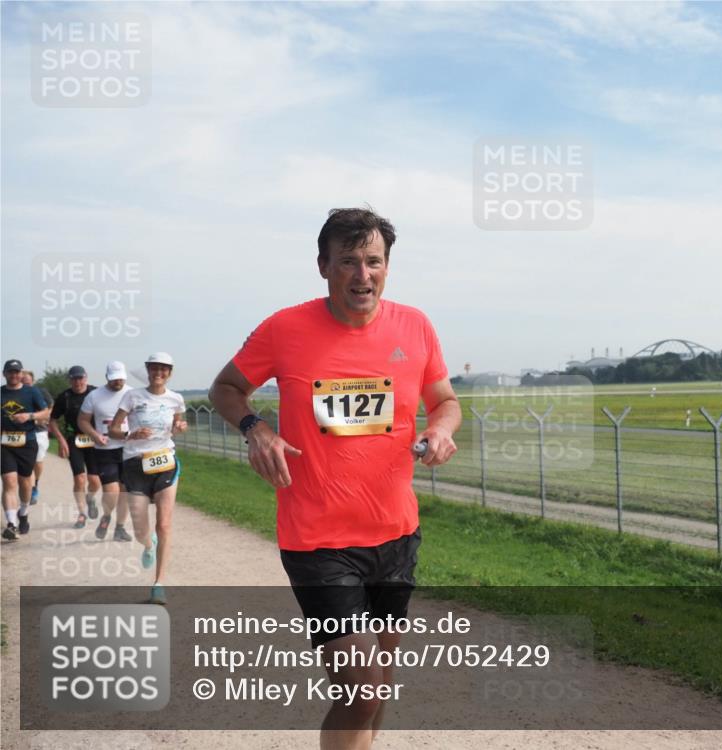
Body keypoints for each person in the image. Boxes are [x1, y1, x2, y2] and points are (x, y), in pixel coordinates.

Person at [209, 207, 461, 750]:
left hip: (395, 534)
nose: (362, 274)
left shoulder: (415, 326)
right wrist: (257, 428)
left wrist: (441, 430)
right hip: (318, 539)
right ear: (324, 266)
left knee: (380, 686)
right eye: (348, 261)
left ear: (387, 268)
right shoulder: (285, 328)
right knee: (362, 690)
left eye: (373, 261)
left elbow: (446, 402)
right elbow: (225, 389)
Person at [109, 353, 187, 605]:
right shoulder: (132, 396)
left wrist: (180, 428)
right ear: (147, 370)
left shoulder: (176, 399)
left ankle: (158, 584)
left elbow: (177, 425)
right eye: (154, 368)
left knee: (164, 524)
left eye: (163, 369)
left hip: (165, 461)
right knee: (142, 528)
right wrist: (130, 433)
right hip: (135, 463)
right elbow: (113, 429)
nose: (158, 373)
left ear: (170, 373)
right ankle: (147, 543)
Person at [78, 361, 134, 542]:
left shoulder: (132, 394)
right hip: (105, 448)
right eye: (113, 379)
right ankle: (107, 516)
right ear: (107, 378)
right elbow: (83, 420)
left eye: (120, 379)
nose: (117, 382)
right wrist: (94, 435)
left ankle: (120, 528)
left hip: (128, 449)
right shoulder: (94, 396)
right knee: (112, 490)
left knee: (125, 491)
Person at [1, 359, 51, 540]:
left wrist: (28, 416)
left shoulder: (32, 392)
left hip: (27, 443)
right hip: (5, 444)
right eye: (10, 372)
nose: (14, 375)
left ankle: (23, 512)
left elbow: (45, 413)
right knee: (9, 481)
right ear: (4, 374)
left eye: (16, 372)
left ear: (21, 374)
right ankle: (11, 524)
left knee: (25, 483)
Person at [49, 366, 99, 528]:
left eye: (80, 378)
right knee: (79, 478)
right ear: (70, 380)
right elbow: (52, 420)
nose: (78, 382)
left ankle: (90, 498)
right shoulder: (64, 397)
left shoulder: (96, 393)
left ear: (86, 378)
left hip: (93, 440)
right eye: (74, 378)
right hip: (74, 440)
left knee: (94, 481)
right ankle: (81, 514)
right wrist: (61, 440)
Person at [20, 370, 54, 505]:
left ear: (32, 381)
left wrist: (45, 417)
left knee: (37, 461)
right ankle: (22, 487)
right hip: (19, 433)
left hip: (39, 431)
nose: (25, 385)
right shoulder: (14, 394)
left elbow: (51, 406)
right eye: (23, 383)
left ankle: (35, 485)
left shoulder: (41, 392)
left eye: (28, 383)